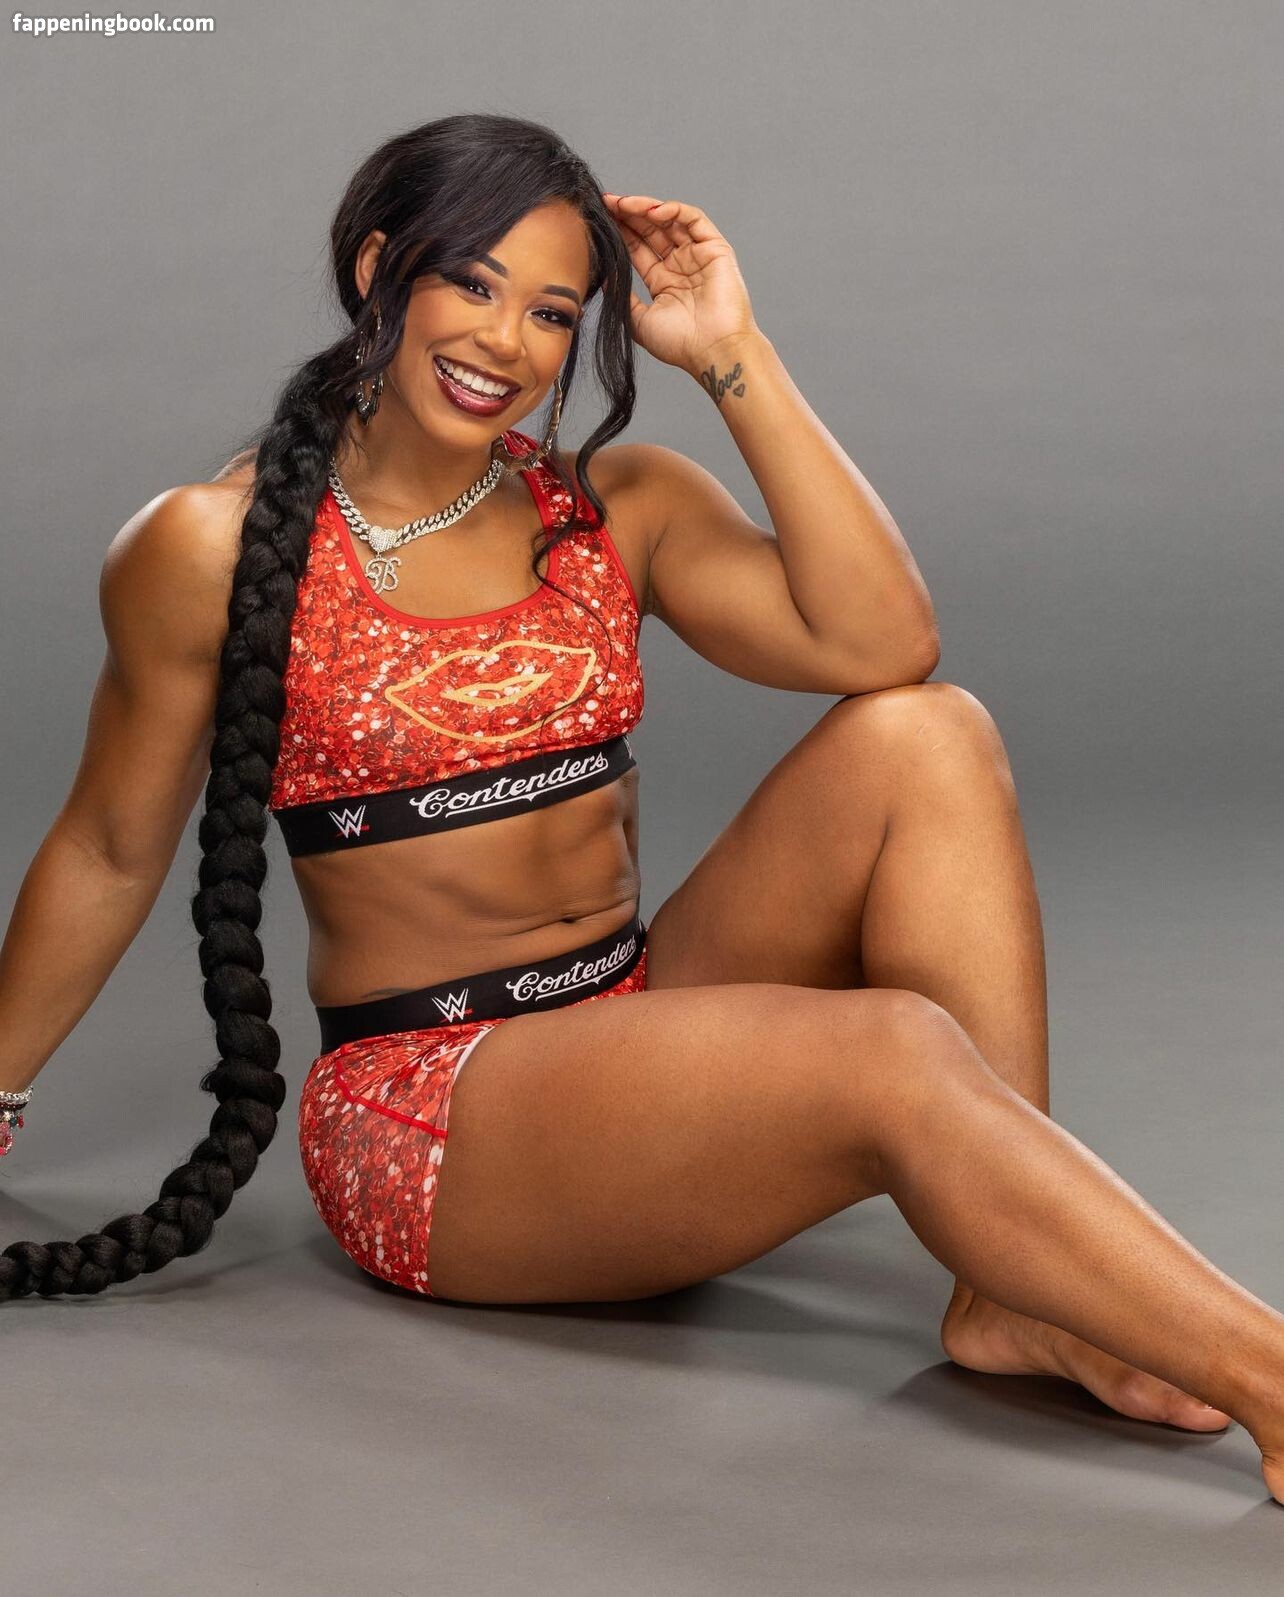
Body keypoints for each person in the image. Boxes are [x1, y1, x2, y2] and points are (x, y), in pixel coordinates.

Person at [1, 112, 1281, 1504]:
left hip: (635, 1018)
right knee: (896, 1051)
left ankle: (1014, 1291)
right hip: (437, 1112)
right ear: (379, 270)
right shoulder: (208, 544)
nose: (505, 341)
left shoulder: (610, 506)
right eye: (473, 283)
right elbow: (110, 847)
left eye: (553, 313)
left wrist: (735, 353)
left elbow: (882, 642)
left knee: (931, 734)